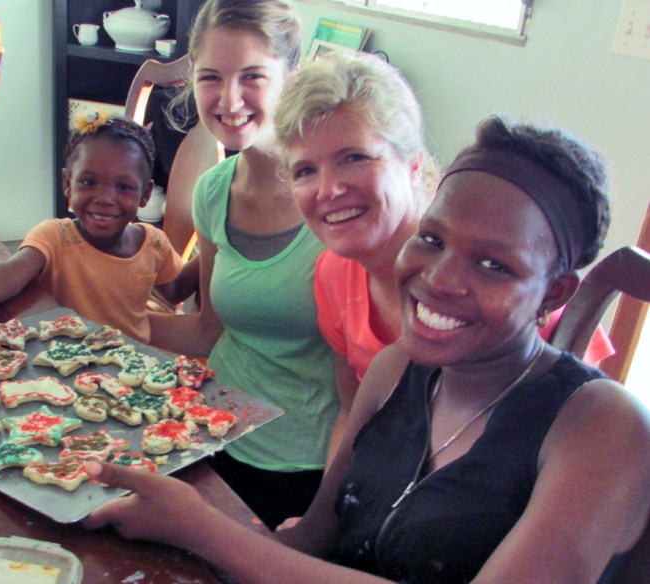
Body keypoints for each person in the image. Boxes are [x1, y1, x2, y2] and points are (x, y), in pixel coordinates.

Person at [83, 116, 650, 583]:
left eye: (494, 264)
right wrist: (185, 515)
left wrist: (204, 530)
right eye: (432, 238)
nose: (440, 279)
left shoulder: (601, 426)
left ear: (554, 293)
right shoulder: (396, 366)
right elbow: (316, 535)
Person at [274, 51, 614, 460]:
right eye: (305, 170)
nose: (328, 190)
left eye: (354, 157)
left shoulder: (520, 295)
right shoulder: (332, 273)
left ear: (414, 165)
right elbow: (353, 414)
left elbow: (591, 439)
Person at [146, 0, 339, 530]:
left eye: (252, 76)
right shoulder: (214, 190)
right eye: (211, 77)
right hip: (207, 432)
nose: (229, 100)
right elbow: (211, 329)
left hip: (300, 468)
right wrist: (101, 320)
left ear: (291, 78)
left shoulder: (334, 202)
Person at [0, 112, 184, 346]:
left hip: (131, 371)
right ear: (67, 184)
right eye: (88, 182)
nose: (105, 198)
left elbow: (175, 291)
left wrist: (215, 253)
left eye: (124, 187)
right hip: (62, 365)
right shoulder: (54, 237)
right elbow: (10, 274)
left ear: (146, 194)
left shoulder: (153, 244)